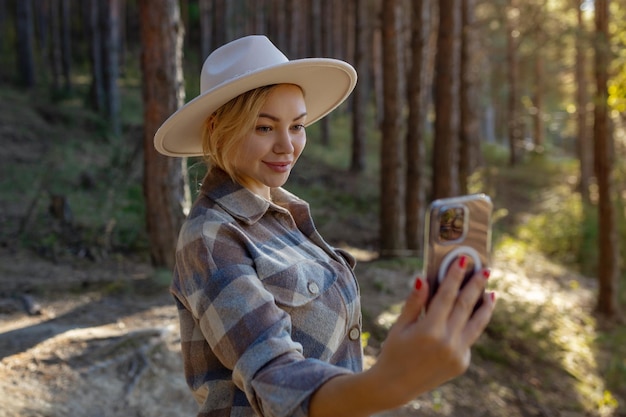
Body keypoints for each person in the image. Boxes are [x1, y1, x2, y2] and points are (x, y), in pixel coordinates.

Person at [154, 35, 496, 417]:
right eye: (264, 127)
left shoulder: (286, 213)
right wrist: (390, 382)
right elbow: (275, 380)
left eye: (297, 126)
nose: (287, 145)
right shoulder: (211, 235)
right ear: (217, 128)